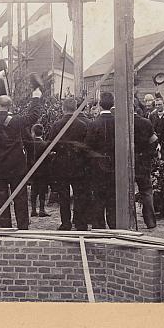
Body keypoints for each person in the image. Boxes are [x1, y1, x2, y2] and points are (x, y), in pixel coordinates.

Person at [0, 87, 42, 229]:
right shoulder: (17, 121)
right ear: (9, 106)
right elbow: (33, 116)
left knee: (0, 197)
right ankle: (23, 226)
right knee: (20, 196)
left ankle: (5, 226)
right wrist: (35, 98)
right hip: (17, 165)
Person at [47, 97, 91, 230]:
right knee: (80, 194)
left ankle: (65, 223)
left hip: (61, 164)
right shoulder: (82, 125)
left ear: (63, 108)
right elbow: (87, 146)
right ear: (76, 108)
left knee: (64, 196)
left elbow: (51, 146)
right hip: (79, 164)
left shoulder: (56, 125)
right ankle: (80, 222)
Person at [85, 92, 116, 229]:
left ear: (99, 104)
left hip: (97, 166)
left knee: (98, 197)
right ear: (113, 104)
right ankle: (114, 225)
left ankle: (99, 226)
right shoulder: (118, 123)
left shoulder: (93, 124)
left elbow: (88, 146)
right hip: (115, 164)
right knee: (112, 197)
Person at [134, 104, 158, 229]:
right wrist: (148, 154)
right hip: (142, 161)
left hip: (125, 161)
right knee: (146, 191)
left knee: (125, 191)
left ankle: (129, 221)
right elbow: (154, 140)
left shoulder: (119, 123)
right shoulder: (145, 122)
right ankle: (150, 221)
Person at [24, 123, 50, 218]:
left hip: (33, 171)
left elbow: (27, 157)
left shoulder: (30, 144)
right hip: (43, 171)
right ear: (42, 133)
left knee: (34, 190)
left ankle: (33, 209)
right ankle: (42, 209)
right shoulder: (45, 144)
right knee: (42, 190)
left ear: (33, 132)